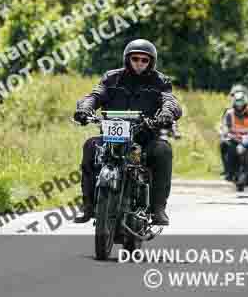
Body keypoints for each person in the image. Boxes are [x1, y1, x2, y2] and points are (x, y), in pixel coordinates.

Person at [72, 39, 182, 226]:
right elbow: (95, 95)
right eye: (135, 58)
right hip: (112, 136)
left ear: (151, 62)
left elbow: (169, 100)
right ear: (127, 59)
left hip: (145, 136)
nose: (139, 63)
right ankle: (88, 205)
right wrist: (84, 109)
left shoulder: (160, 81)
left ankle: (157, 208)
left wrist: (166, 114)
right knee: (90, 146)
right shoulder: (111, 78)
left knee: (163, 150)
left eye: (144, 60)